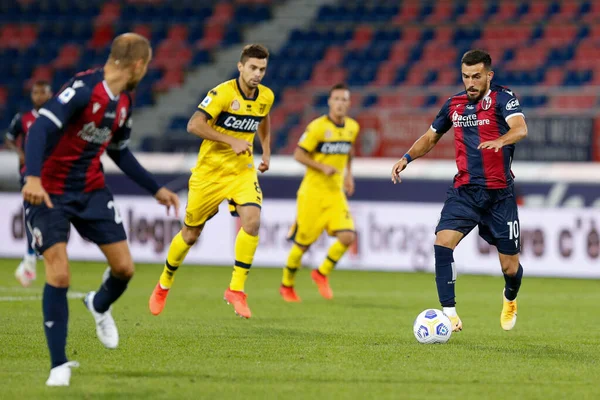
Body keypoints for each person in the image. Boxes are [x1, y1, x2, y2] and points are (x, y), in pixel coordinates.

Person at [22, 33, 180, 387]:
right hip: (47, 191)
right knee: (59, 273)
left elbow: (120, 151)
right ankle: (58, 365)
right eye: (148, 64)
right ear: (138, 64)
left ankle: (98, 304)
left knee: (124, 268)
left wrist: (155, 189)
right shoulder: (82, 89)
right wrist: (32, 178)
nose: (147, 70)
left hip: (90, 190)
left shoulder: (124, 101)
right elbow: (39, 130)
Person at [391, 49, 528, 333]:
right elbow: (431, 136)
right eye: (466, 76)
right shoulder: (453, 105)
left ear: (488, 75)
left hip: (499, 195)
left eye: (476, 76)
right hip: (465, 190)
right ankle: (449, 314)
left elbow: (520, 128)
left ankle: (510, 298)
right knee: (442, 244)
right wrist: (406, 158)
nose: (471, 82)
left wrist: (500, 141)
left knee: (510, 269)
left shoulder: (504, 98)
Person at [149, 44, 274, 319]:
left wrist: (265, 150)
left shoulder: (266, 96)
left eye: (262, 69)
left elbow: (262, 118)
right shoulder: (222, 93)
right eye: (252, 68)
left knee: (252, 222)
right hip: (210, 173)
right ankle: (164, 283)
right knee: (190, 234)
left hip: (242, 171)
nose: (257, 74)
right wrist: (231, 140)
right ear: (240, 66)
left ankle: (236, 290)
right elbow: (193, 125)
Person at [279, 83, 359, 302]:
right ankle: (287, 285)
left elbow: (349, 151)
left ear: (349, 103)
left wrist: (349, 175)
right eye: (337, 99)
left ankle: (321, 272)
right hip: (312, 193)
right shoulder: (317, 127)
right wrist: (322, 167)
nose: (341, 104)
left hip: (335, 193)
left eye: (344, 100)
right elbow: (298, 155)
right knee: (303, 244)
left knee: (347, 236)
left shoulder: (352, 127)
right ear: (330, 102)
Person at [4, 81, 53, 286]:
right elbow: (9, 137)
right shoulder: (23, 119)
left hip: (52, 173)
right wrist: (20, 153)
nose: (39, 96)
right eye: (35, 92)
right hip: (29, 174)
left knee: (50, 214)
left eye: (43, 92)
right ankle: (30, 255)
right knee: (30, 211)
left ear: (50, 94)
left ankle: (34, 255)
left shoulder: (57, 116)